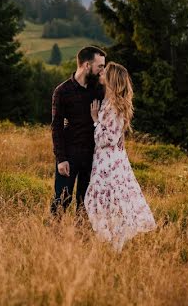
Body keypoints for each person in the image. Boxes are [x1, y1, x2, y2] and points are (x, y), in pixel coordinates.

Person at [84, 62, 156, 251]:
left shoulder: (114, 106)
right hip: (108, 159)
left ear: (111, 79)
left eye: (104, 72)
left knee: (104, 199)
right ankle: (111, 242)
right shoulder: (110, 102)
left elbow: (106, 138)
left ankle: (115, 243)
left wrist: (94, 121)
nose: (101, 73)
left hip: (109, 162)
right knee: (108, 200)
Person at [50, 46, 106, 216]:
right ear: (87, 65)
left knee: (86, 203)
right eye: (100, 66)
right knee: (62, 199)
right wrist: (61, 159)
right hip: (70, 153)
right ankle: (53, 237)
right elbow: (56, 126)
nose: (102, 70)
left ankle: (81, 239)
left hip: (92, 156)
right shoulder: (62, 91)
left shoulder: (99, 90)